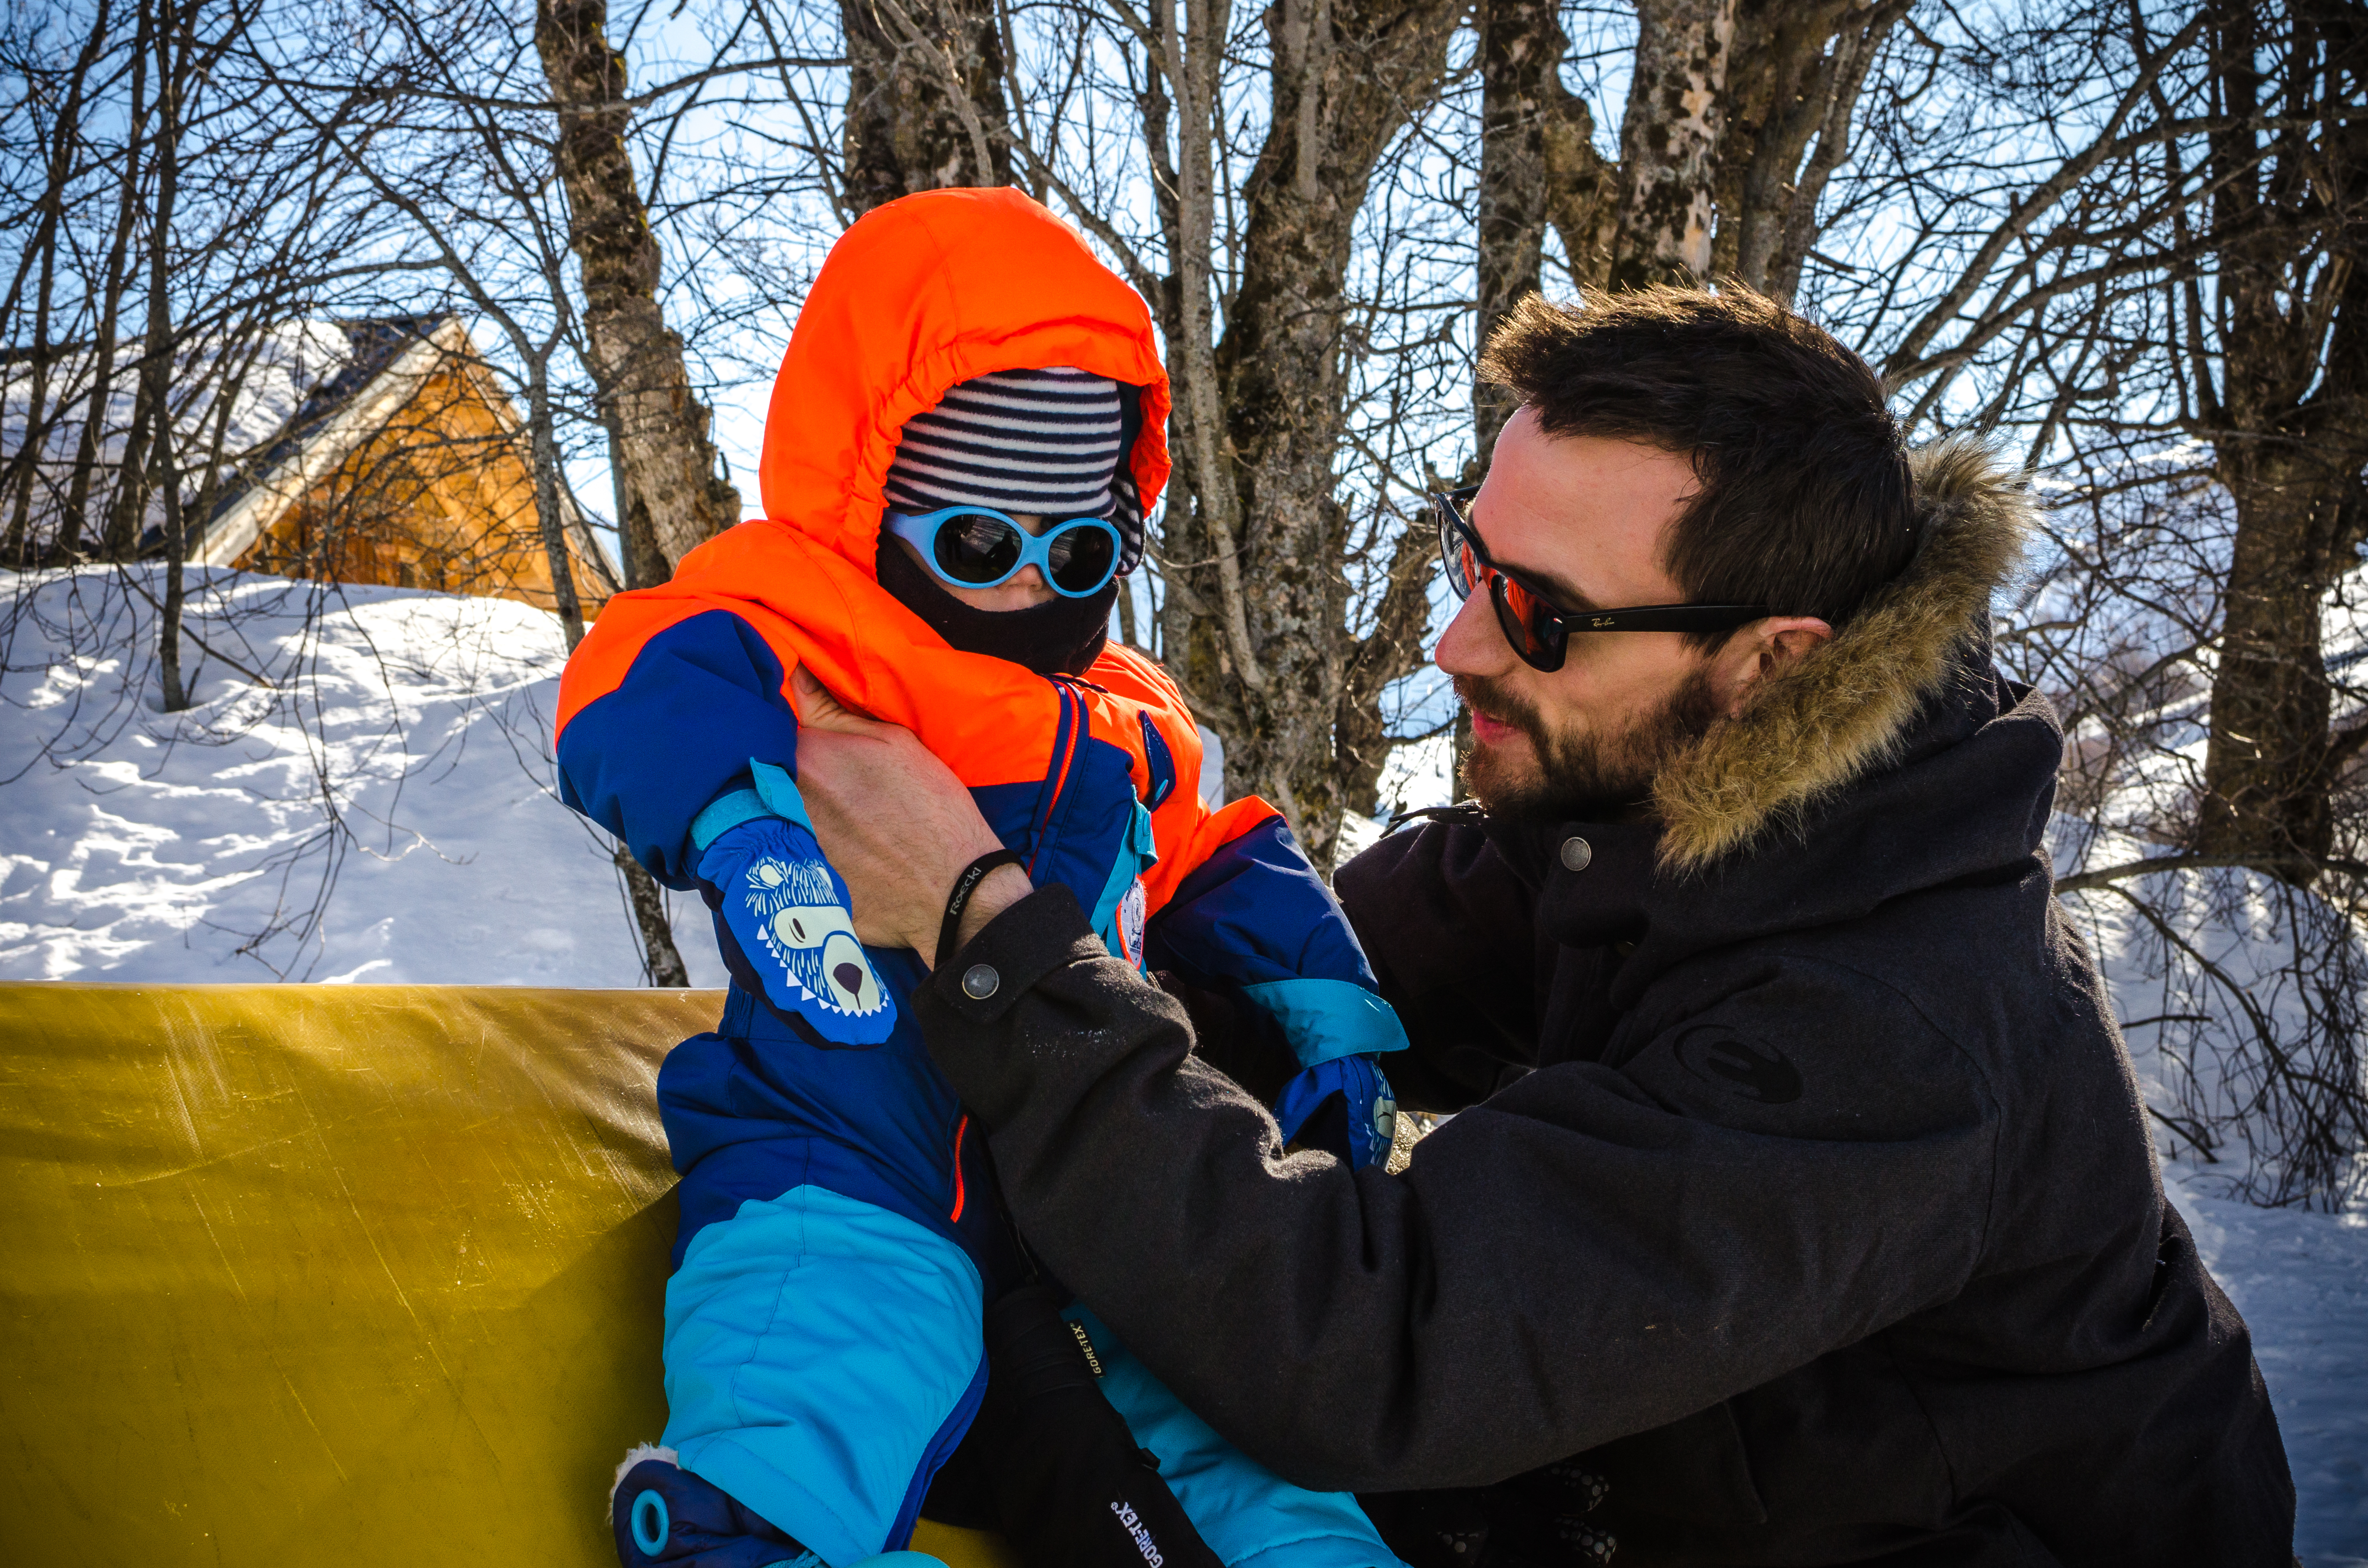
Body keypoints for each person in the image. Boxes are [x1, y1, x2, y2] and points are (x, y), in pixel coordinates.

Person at [782, 285, 2299, 1565]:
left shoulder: (1889, 1030)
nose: (1457, 642)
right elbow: (1300, 982)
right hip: (1689, 1473)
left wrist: (992, 933)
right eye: (1469, 557)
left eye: (1539, 612)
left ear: (1769, 664)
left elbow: (1367, 1348)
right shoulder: (1648, 808)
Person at [553, 187, 1408, 1568]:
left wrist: (1334, 1021)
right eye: (974, 545)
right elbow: (632, 686)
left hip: (1093, 1194)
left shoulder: (1129, 715)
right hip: (847, 1151)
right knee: (827, 1354)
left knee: (1239, 1436)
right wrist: (741, 822)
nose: (1024, 593)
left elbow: (1231, 850)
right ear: (873, 504)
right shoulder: (809, 628)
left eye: (1074, 554)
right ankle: (751, 1530)